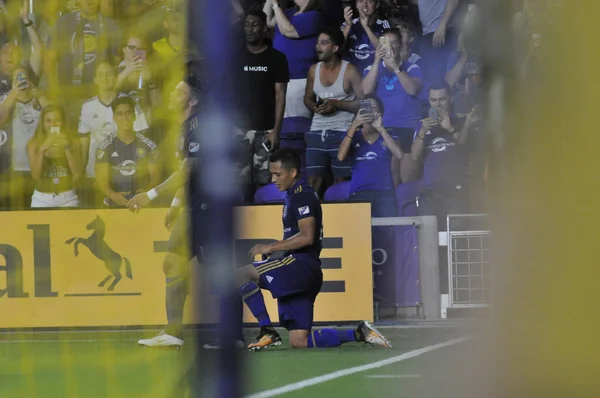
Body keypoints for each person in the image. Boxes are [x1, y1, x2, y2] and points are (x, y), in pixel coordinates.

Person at [236, 148, 392, 350]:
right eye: (272, 174)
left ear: (293, 172)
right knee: (299, 341)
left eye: (278, 174)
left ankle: (267, 330)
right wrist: (277, 247)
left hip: (299, 266)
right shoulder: (296, 194)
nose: (273, 179)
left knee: (240, 274)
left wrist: (271, 246)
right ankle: (360, 332)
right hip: (307, 270)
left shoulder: (302, 196)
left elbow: (307, 236)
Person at [130, 80, 210, 347]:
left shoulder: (197, 125)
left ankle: (241, 333)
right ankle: (173, 331)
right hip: (192, 207)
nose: (173, 94)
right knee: (172, 263)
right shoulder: (185, 127)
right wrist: (176, 205)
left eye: (180, 92)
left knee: (221, 273)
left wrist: (150, 195)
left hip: (206, 209)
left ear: (193, 101)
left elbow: (189, 169)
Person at [234, 10, 289, 202]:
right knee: (238, 182)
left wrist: (276, 130)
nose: (250, 29)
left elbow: (280, 95)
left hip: (266, 130)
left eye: (255, 24)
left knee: (265, 182)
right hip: (239, 130)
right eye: (247, 24)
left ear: (264, 28)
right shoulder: (235, 57)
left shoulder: (277, 58)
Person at [411, 83, 482, 230]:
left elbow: (464, 150)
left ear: (451, 99)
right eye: (433, 100)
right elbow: (414, 156)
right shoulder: (422, 126)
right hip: (428, 193)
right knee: (428, 242)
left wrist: (450, 128)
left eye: (442, 99)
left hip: (455, 192)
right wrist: (422, 133)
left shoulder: (462, 122)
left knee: (455, 242)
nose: (437, 104)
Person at [304, 28, 364, 195]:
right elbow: (307, 98)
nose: (318, 46)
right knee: (313, 181)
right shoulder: (313, 70)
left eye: (323, 43)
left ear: (335, 48)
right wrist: (315, 107)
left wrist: (337, 104)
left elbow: (364, 103)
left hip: (342, 132)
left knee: (341, 181)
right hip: (316, 132)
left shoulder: (350, 70)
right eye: (318, 42)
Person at [362, 28, 423, 185]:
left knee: (408, 177)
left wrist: (396, 68)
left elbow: (413, 89)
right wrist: (376, 61)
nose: (389, 47)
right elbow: (366, 91)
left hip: (408, 126)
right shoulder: (371, 69)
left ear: (401, 46)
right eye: (385, 43)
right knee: (391, 175)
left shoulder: (411, 67)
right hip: (384, 127)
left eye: (394, 42)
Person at [264, 0, 323, 140]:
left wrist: (275, 5)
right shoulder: (290, 12)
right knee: (277, 124)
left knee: (295, 127)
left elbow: (289, 30)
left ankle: (295, 158)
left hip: (299, 78)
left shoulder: (314, 15)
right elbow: (267, 22)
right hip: (279, 77)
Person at [337, 97, 403, 217]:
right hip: (359, 192)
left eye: (372, 108)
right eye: (365, 107)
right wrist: (354, 125)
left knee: (388, 232)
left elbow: (399, 154)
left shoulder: (389, 134)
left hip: (385, 192)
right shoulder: (352, 135)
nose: (368, 111)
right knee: (359, 233)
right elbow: (341, 157)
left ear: (380, 113)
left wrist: (380, 128)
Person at [94, 96, 160, 207]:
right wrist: (114, 196)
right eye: (119, 113)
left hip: (141, 205)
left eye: (128, 113)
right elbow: (101, 180)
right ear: (114, 118)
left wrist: (145, 194)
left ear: (134, 117)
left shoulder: (149, 145)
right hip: (112, 204)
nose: (124, 117)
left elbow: (156, 177)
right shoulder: (105, 147)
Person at [26, 104, 82, 207]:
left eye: (57, 120)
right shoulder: (33, 143)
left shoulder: (73, 141)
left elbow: (77, 173)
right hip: (42, 199)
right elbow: (35, 176)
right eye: (48, 120)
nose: (53, 124)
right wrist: (42, 150)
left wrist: (67, 149)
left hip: (68, 198)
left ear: (63, 122)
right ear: (42, 123)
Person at [341, 0, 390, 73]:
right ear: (356, 4)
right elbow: (336, 49)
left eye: (370, 1)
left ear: (377, 4)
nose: (364, 5)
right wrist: (348, 25)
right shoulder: (347, 24)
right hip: (350, 73)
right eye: (361, 1)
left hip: (375, 74)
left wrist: (366, 28)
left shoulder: (384, 25)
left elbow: (386, 51)